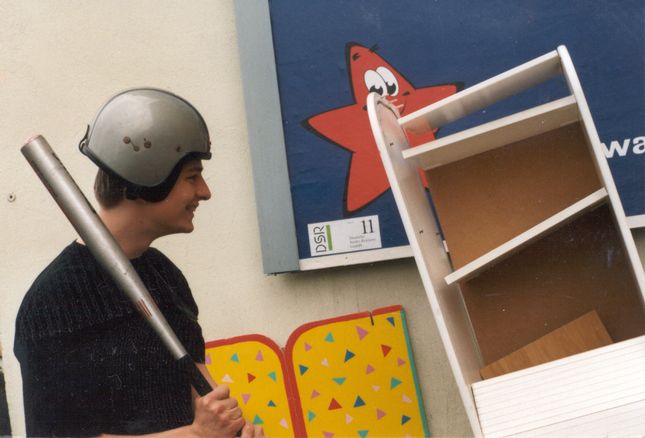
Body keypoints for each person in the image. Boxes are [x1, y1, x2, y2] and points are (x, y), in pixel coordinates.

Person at [14, 88, 264, 438]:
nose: (204, 191)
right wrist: (196, 435)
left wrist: (232, 428)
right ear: (146, 182)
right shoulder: (52, 304)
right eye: (192, 177)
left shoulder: (163, 275)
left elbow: (199, 387)